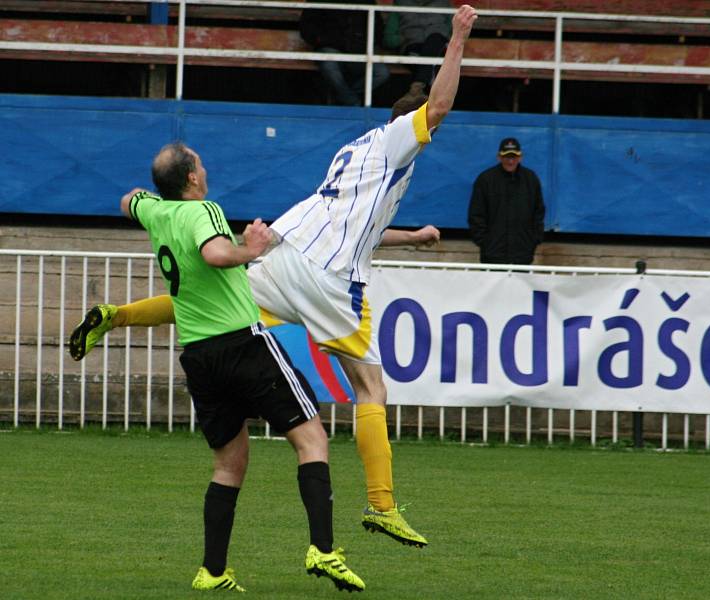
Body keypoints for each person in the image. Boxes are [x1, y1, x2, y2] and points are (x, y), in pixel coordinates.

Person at [70, 4, 478, 551]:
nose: (435, 127)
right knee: (370, 385)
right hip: (329, 276)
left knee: (205, 301)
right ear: (412, 123)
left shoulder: (359, 150)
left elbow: (355, 224)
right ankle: (381, 505)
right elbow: (443, 102)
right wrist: (457, 39)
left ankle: (114, 316)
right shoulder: (402, 142)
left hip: (285, 251)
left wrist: (413, 237)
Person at [119, 142, 364, 593]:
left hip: (198, 355)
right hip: (241, 344)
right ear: (192, 178)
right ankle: (324, 551)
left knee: (228, 466)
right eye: (200, 162)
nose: (206, 167)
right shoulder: (203, 210)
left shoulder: (156, 212)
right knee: (312, 439)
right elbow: (215, 254)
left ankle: (212, 572)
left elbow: (129, 198)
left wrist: (145, 200)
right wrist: (252, 247)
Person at [468, 137, 546, 265]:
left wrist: (533, 241)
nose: (510, 161)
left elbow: (539, 213)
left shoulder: (531, 180)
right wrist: (485, 243)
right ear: (499, 157)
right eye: (506, 157)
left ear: (520, 157)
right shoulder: (485, 180)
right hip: (492, 256)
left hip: (523, 256)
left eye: (514, 157)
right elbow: (476, 215)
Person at [299, 0, 390, 106]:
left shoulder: (367, 1)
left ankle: (343, 96)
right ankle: (352, 101)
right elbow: (306, 28)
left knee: (381, 73)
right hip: (331, 49)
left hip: (360, 52)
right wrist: (323, 40)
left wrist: (363, 44)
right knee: (329, 66)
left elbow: (377, 29)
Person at [383, 0, 451, 93]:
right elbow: (389, 38)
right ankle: (425, 91)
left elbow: (453, 31)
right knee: (429, 66)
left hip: (439, 47)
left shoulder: (443, 3)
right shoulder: (400, 3)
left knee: (435, 38)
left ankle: (418, 87)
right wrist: (403, 38)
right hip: (412, 46)